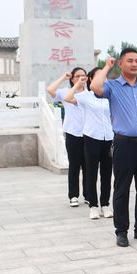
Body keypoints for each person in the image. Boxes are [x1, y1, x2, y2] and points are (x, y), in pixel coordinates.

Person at [90, 49, 137, 247]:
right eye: (130, 61)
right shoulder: (112, 86)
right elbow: (94, 86)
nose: (134, 64)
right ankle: (121, 231)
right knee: (121, 189)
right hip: (124, 144)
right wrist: (107, 66)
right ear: (120, 64)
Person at [64, 68, 113, 220]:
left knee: (107, 173)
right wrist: (78, 83)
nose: (103, 78)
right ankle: (93, 206)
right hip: (92, 138)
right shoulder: (85, 96)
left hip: (108, 138)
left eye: (104, 76)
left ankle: (105, 204)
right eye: (99, 76)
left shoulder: (109, 96)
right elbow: (68, 97)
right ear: (91, 79)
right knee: (91, 173)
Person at [46, 67, 87, 207]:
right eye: (77, 76)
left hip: (88, 134)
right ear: (72, 78)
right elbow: (50, 90)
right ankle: (73, 195)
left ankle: (88, 195)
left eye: (83, 76)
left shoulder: (89, 94)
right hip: (72, 133)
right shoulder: (65, 92)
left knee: (88, 167)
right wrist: (63, 77)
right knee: (74, 166)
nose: (81, 78)